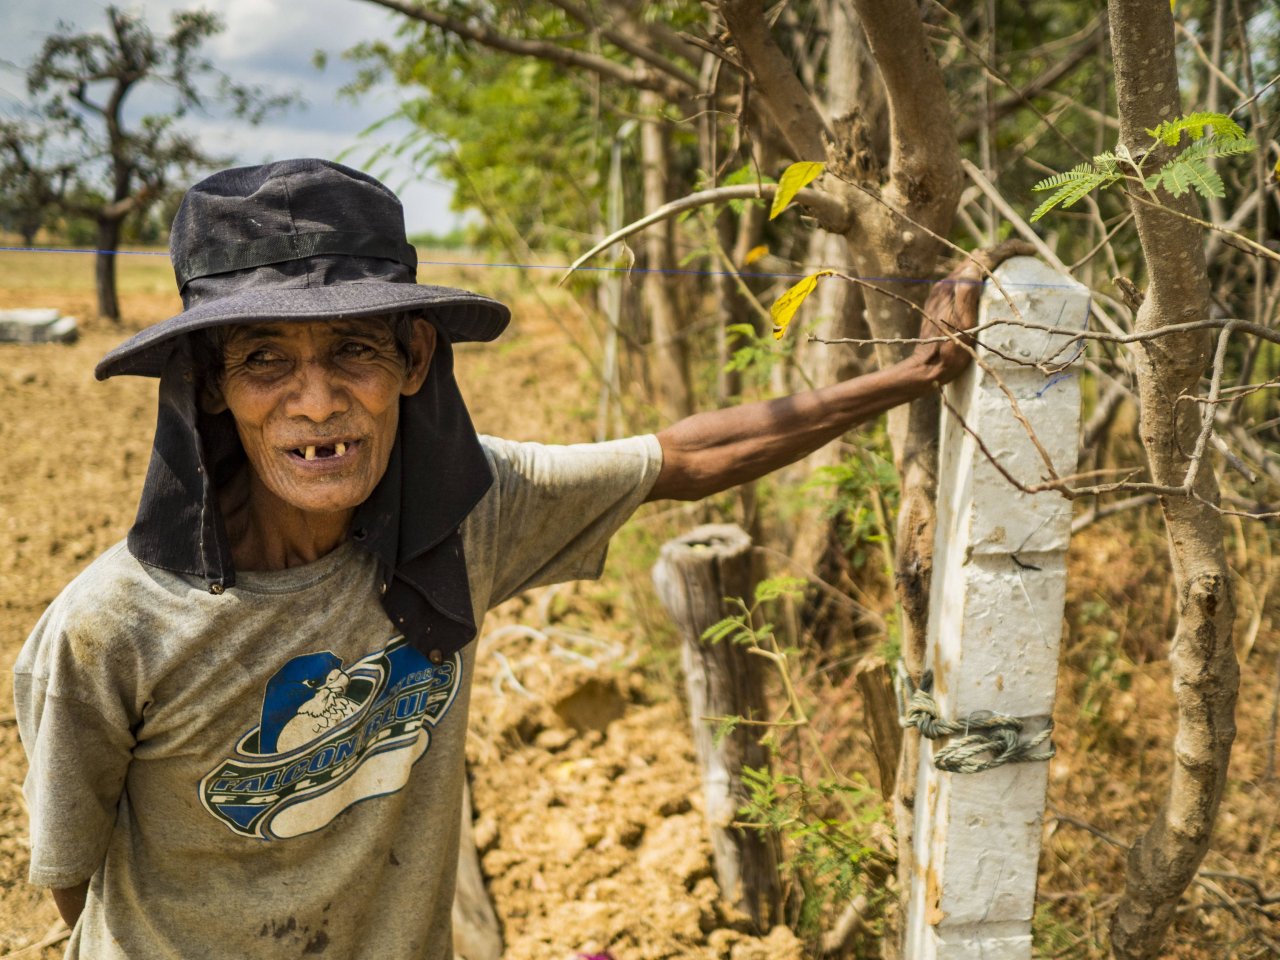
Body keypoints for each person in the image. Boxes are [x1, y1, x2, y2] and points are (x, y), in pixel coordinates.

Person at [13, 158, 1011, 959]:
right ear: (208, 387)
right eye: (263, 358)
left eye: (352, 350)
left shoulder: (459, 518)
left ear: (413, 359)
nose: (315, 402)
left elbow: (688, 456)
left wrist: (917, 373)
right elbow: (69, 881)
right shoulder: (115, 628)